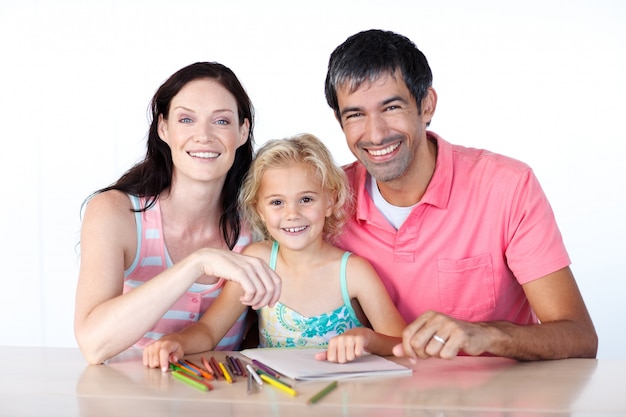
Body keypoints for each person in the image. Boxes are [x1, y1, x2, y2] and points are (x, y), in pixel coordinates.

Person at [324, 29, 598, 361]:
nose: (376, 133)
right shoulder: (326, 200)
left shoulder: (507, 186)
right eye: (355, 115)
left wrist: (486, 334)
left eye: (391, 107)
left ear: (426, 105)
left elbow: (580, 337)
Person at [74, 62, 281, 365]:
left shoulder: (260, 220)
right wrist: (198, 263)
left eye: (221, 122)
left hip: (224, 401)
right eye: (186, 119)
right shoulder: (115, 213)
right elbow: (93, 345)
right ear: (163, 128)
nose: (203, 136)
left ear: (242, 131)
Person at [142, 133, 407, 370]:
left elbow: (402, 345)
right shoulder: (256, 261)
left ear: (331, 200)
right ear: (259, 209)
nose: (292, 214)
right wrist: (177, 341)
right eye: (277, 202)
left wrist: (368, 340)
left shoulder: (353, 271)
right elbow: (210, 331)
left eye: (306, 199)